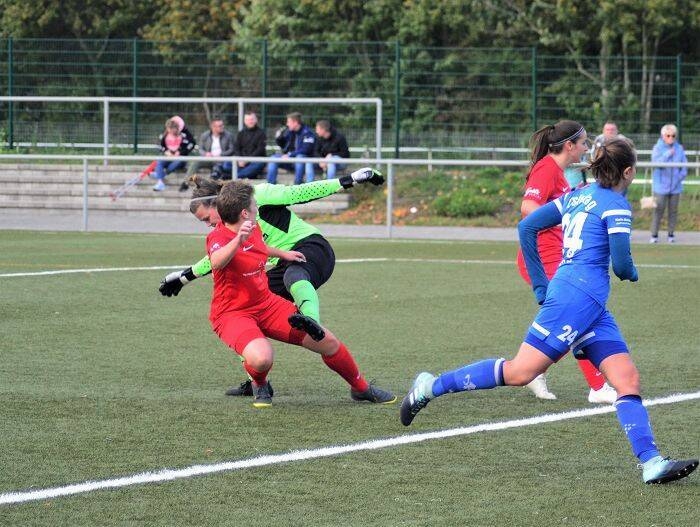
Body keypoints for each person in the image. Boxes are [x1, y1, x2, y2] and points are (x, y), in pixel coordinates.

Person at [400, 138, 698, 485]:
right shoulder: (616, 205)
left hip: (590, 306)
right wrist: (631, 272)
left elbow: (526, 226)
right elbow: (621, 265)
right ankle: (430, 386)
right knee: (519, 373)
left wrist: (541, 284)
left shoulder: (577, 195)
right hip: (574, 300)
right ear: (629, 172)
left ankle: (651, 462)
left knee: (626, 380)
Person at [159, 168, 386, 396]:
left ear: (218, 204)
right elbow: (221, 257)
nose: (208, 224)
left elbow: (301, 192)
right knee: (249, 301)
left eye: (207, 218)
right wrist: (185, 277)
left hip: (309, 248)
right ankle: (256, 378)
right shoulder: (226, 228)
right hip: (281, 261)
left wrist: (348, 180)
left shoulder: (258, 196)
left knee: (293, 275)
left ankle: (312, 322)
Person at [517, 120, 617, 404]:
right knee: (578, 314)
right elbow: (528, 208)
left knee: (573, 317)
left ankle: (534, 370)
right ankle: (597, 387)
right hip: (544, 256)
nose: (586, 147)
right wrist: (556, 222)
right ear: (569, 146)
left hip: (558, 255)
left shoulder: (558, 172)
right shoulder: (547, 168)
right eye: (583, 142)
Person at [650, 124, 687, 244]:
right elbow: (656, 163)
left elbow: (684, 167)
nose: (671, 137)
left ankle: (671, 235)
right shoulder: (657, 148)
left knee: (673, 212)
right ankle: (654, 235)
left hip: (676, 187)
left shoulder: (679, 148)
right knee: (658, 211)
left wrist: (678, 179)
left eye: (673, 135)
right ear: (663, 136)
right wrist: (667, 154)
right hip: (660, 187)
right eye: (668, 135)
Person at [183, 116, 235, 189]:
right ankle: (186, 182)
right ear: (213, 127)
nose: (222, 127)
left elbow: (231, 149)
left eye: (222, 125)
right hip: (209, 158)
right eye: (220, 126)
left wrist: (221, 154)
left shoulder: (228, 135)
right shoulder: (205, 135)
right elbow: (200, 149)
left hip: (222, 159)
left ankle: (210, 186)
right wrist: (205, 154)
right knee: (196, 162)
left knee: (217, 169)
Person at [267, 112, 316, 185]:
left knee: (300, 157)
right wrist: (279, 138)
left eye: (288, 122)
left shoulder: (307, 133)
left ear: (295, 122)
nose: (287, 124)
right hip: (289, 159)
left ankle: (297, 184)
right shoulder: (289, 132)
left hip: (301, 161)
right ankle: (270, 185)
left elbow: (306, 150)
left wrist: (290, 154)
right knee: (273, 158)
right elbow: (284, 147)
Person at [153, 116, 196, 191]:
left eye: (172, 129)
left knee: (178, 161)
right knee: (159, 161)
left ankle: (161, 174)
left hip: (180, 159)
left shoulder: (184, 135)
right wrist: (166, 151)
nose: (170, 132)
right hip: (169, 158)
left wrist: (180, 152)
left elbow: (191, 145)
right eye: (168, 129)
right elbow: (159, 145)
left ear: (176, 128)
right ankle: (160, 182)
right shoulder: (165, 135)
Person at [232, 111, 267, 180]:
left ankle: (234, 176)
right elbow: (236, 148)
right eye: (248, 120)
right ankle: (246, 174)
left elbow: (260, 150)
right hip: (241, 161)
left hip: (255, 161)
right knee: (226, 164)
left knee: (258, 165)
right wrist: (240, 160)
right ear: (244, 121)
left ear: (256, 120)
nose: (250, 121)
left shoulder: (261, 133)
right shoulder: (241, 133)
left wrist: (247, 160)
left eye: (252, 119)